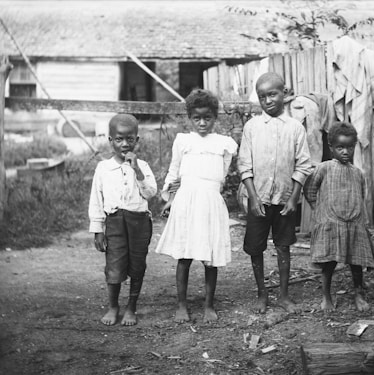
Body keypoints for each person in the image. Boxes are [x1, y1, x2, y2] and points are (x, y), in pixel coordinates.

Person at [155, 89, 238, 323]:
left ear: (215, 117)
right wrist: (170, 200)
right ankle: (181, 305)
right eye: (197, 118)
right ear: (189, 118)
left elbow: (221, 177)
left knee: (210, 257)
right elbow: (174, 172)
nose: (202, 123)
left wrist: (208, 193)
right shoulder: (183, 141)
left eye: (207, 118)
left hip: (210, 203)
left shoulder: (225, 144)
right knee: (184, 255)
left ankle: (209, 305)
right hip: (186, 203)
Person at [238, 72, 311, 314]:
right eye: (262, 96)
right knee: (256, 248)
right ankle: (262, 294)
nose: (268, 100)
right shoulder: (252, 127)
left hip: (284, 201)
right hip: (258, 200)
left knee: (283, 246)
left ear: (285, 93)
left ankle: (283, 295)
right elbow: (244, 165)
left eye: (272, 94)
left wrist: (293, 198)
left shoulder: (295, 128)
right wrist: (253, 197)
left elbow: (303, 165)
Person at [88, 114, 157, 326]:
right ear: (110, 141)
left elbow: (151, 193)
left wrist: (136, 170)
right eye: (119, 139)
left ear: (137, 140)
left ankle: (131, 307)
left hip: (139, 223)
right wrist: (97, 229)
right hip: (114, 223)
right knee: (114, 265)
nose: (124, 144)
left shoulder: (142, 166)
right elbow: (96, 200)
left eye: (129, 139)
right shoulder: (103, 168)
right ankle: (113, 306)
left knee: (137, 264)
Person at [304, 121, 374, 312]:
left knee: (356, 262)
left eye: (350, 147)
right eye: (340, 147)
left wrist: (362, 221)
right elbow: (310, 189)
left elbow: (361, 196)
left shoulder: (358, 173)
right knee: (330, 261)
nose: (345, 152)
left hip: (354, 223)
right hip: (331, 222)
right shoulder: (324, 168)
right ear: (331, 147)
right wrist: (320, 211)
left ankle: (359, 294)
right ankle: (326, 296)